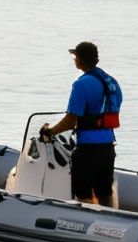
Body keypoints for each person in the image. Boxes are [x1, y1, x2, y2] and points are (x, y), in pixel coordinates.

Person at [41, 41, 122, 206]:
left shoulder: (81, 84)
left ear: (80, 59)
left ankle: (85, 225)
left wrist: (50, 132)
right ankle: (110, 222)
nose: (74, 59)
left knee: (83, 192)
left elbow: (71, 121)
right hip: (108, 146)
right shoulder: (111, 82)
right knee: (104, 191)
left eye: (75, 56)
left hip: (88, 148)